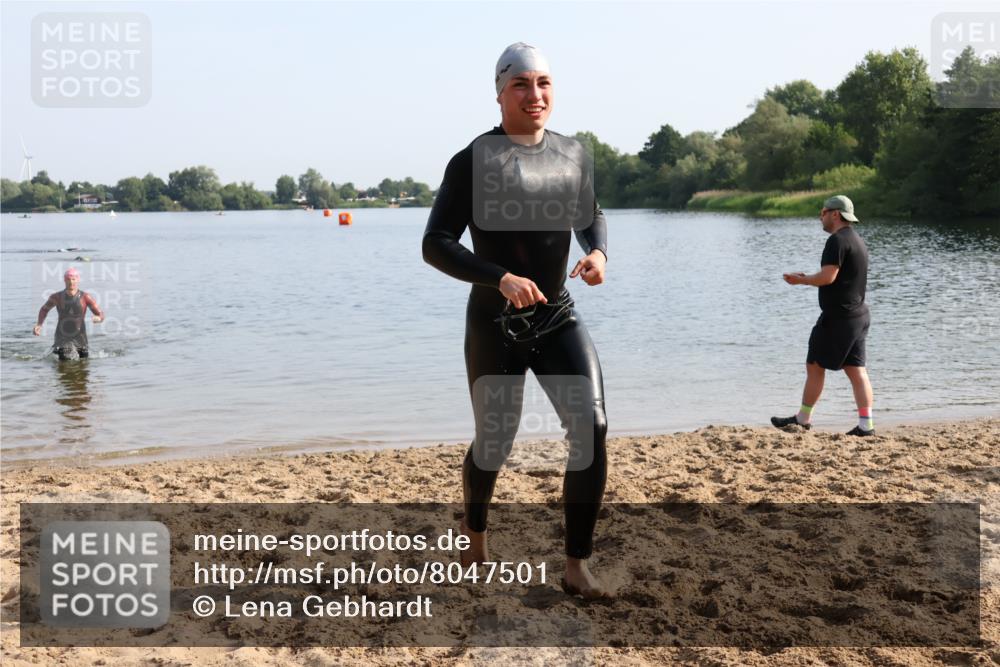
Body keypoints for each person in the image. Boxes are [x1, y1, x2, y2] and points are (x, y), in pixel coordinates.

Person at [422, 43, 611, 598]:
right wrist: (499, 277)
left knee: (592, 429)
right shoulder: (474, 160)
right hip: (496, 325)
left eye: (545, 83)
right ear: (501, 92)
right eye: (522, 85)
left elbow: (591, 214)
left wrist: (598, 253)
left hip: (557, 318)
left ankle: (576, 565)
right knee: (495, 442)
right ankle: (474, 531)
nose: (536, 95)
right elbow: (435, 244)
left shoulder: (571, 155)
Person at [772, 195, 875, 436]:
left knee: (815, 365)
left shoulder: (836, 241)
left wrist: (802, 280)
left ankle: (803, 418)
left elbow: (828, 277)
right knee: (856, 370)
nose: (821, 216)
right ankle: (866, 425)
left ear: (835, 214)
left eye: (823, 211)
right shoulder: (857, 240)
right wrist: (808, 277)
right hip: (858, 315)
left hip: (838, 318)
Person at [33, 267, 104, 361]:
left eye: (73, 279)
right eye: (68, 279)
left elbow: (100, 314)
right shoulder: (57, 297)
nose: (71, 282)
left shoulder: (85, 297)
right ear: (64, 280)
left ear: (78, 280)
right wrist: (39, 324)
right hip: (62, 336)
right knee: (64, 365)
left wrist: (98, 318)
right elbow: (44, 309)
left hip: (80, 337)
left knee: (83, 367)